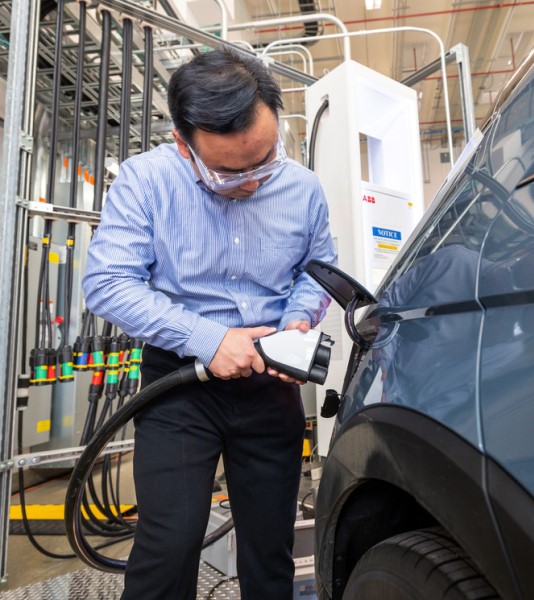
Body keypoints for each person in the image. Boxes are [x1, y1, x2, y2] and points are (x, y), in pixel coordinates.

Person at [82, 47, 337, 599]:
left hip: (271, 385)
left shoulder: (303, 188)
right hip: (180, 384)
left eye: (264, 159)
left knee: (269, 546)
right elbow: (108, 283)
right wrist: (209, 339)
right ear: (183, 144)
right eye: (227, 171)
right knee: (169, 542)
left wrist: (296, 323)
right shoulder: (146, 182)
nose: (251, 181)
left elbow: (319, 272)